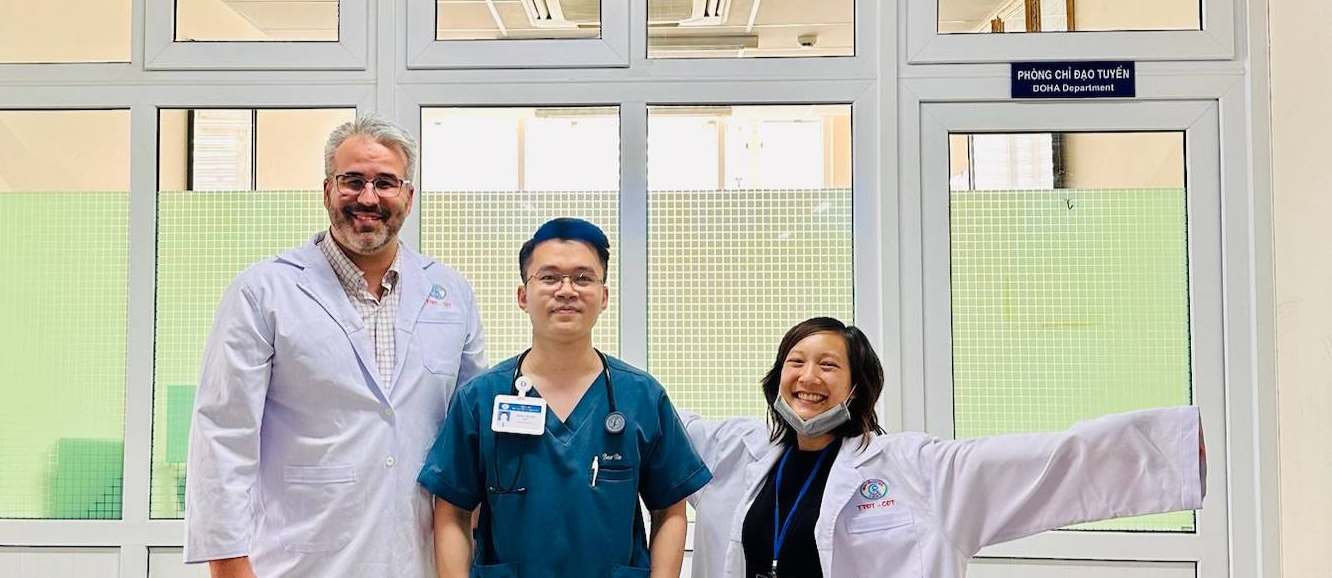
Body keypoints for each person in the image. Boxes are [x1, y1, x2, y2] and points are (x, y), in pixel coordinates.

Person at [185, 114, 485, 578]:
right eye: (353, 181)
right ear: (327, 190)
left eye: (386, 182)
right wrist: (229, 566)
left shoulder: (451, 293)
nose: (368, 198)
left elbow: (470, 437)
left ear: (408, 195)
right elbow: (223, 437)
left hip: (420, 559)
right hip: (300, 560)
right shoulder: (264, 292)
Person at [682, 316, 1207, 578]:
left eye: (828, 364)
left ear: (858, 386)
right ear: (777, 378)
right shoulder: (735, 450)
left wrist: (1171, 450)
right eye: (796, 362)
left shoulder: (913, 468)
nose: (807, 376)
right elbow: (651, 419)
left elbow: (1048, 462)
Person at [418, 218, 711, 578]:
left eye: (583, 278)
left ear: (603, 298)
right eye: (550, 277)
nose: (567, 290)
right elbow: (452, 511)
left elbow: (670, 510)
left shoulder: (641, 397)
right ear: (523, 296)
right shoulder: (480, 399)